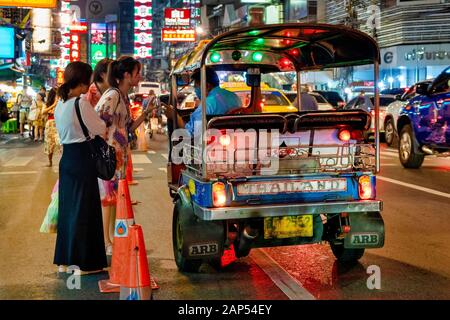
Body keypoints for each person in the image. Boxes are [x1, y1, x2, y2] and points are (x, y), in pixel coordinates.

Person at [95, 56, 156, 254]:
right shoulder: (112, 95)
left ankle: (111, 238)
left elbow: (128, 128)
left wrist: (145, 114)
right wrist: (107, 146)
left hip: (120, 155)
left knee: (114, 197)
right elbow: (98, 122)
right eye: (137, 73)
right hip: (110, 154)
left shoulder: (123, 96)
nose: (140, 77)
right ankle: (105, 242)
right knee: (107, 198)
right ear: (127, 75)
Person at [53, 61, 107, 274]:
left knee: (68, 210)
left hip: (67, 159)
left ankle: (65, 262)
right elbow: (100, 127)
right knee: (85, 209)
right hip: (83, 158)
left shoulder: (60, 104)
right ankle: (84, 264)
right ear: (84, 81)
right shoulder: (81, 104)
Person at [175, 68, 241, 136]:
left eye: (196, 87)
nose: (195, 90)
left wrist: (176, 118)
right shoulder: (235, 97)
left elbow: (192, 133)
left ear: (207, 86)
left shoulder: (207, 104)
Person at [42, 88, 60, 167]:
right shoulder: (47, 104)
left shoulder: (61, 102)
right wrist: (53, 105)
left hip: (59, 124)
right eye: (57, 95)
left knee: (60, 143)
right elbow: (43, 112)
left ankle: (62, 161)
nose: (58, 96)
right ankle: (50, 161)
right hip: (50, 125)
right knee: (49, 143)